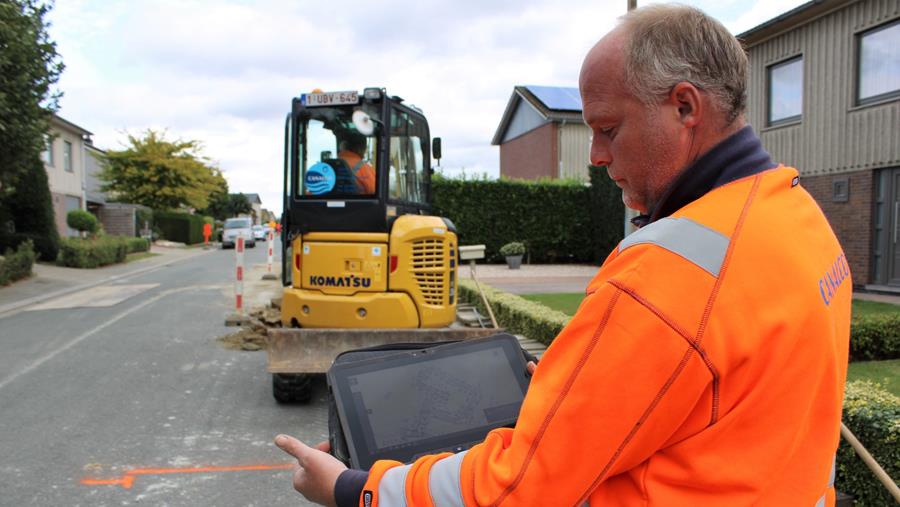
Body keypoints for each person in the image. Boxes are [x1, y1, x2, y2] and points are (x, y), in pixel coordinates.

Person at [275, 4, 851, 505]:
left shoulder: (667, 273)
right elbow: (735, 404)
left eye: (608, 128)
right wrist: (593, 395)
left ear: (684, 107)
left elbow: (517, 488)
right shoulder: (797, 215)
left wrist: (356, 489)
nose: (596, 156)